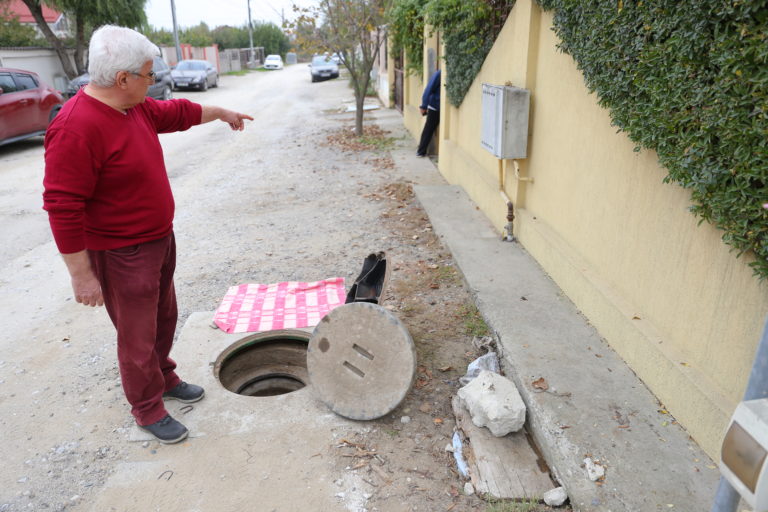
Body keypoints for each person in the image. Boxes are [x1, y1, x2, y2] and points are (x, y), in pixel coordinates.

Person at [42, 25, 254, 444]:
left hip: (157, 239)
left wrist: (222, 113)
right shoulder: (75, 127)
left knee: (163, 317)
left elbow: (176, 113)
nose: (151, 81)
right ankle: (147, 407)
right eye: (147, 74)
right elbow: (62, 206)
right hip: (121, 252)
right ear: (122, 79)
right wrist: (81, 275)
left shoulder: (132, 107)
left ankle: (165, 377)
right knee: (135, 334)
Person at [417, 69, 441, 157]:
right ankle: (421, 151)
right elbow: (428, 89)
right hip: (434, 106)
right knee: (429, 129)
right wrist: (424, 106)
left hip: (442, 106)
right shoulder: (439, 74)